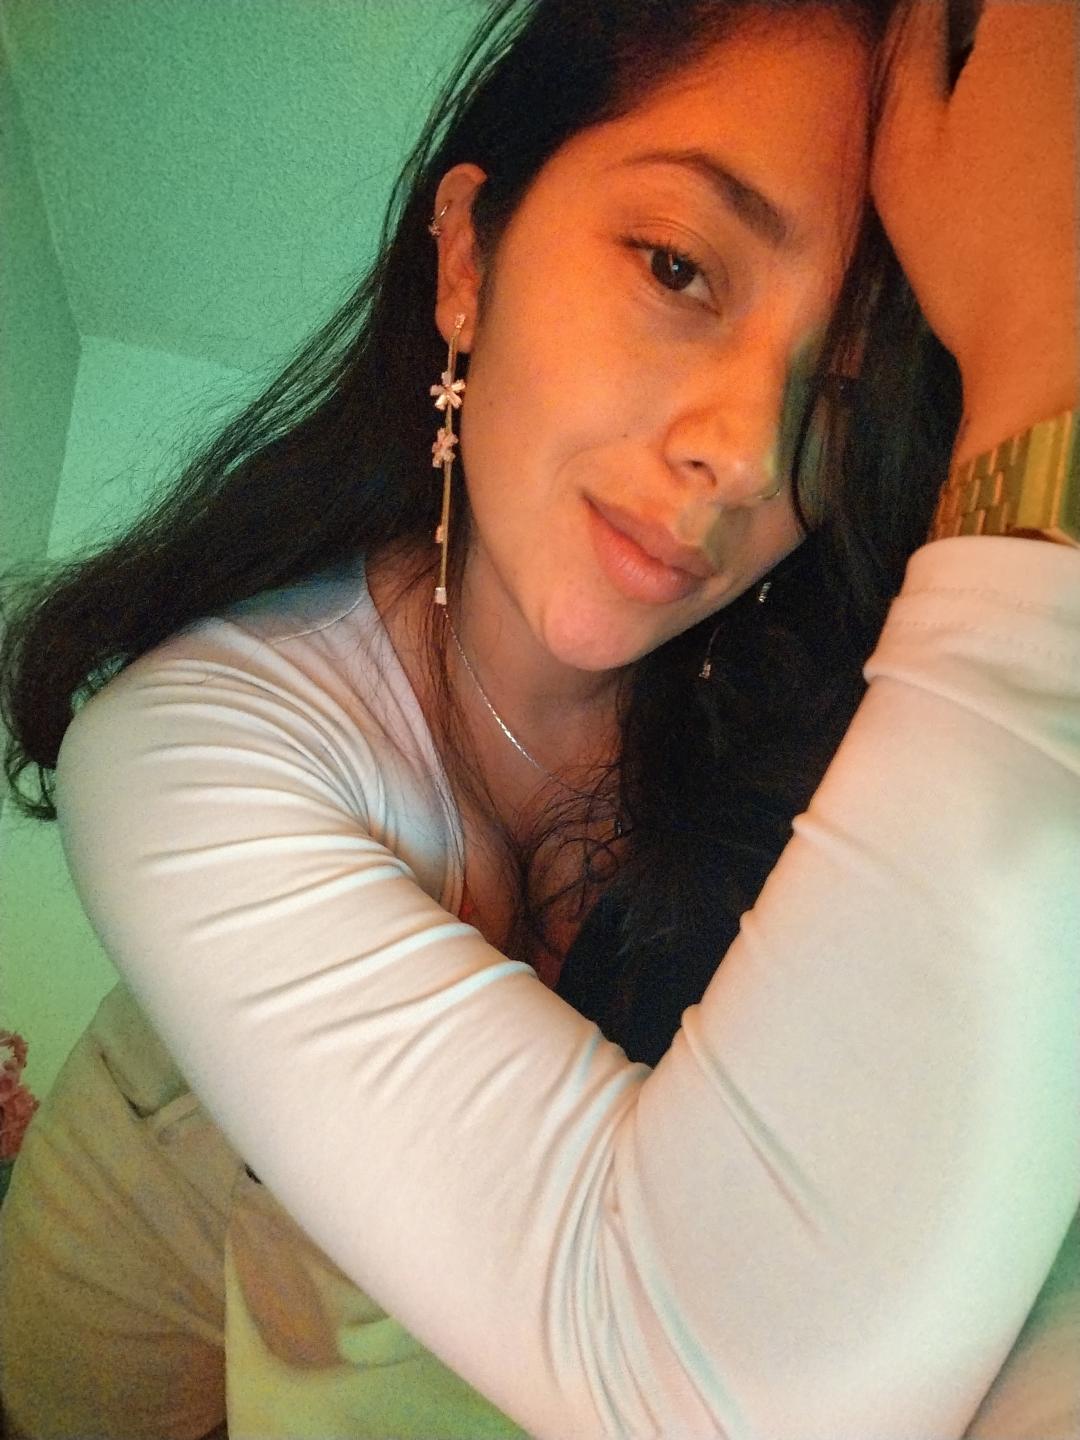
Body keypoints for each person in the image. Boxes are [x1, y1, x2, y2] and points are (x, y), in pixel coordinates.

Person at [1, 0, 1077, 1436]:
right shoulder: (191, 742)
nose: (748, 453)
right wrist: (1051, 381)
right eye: (679, 267)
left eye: (837, 395)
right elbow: (707, 1383)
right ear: (467, 257)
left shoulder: (803, 721)